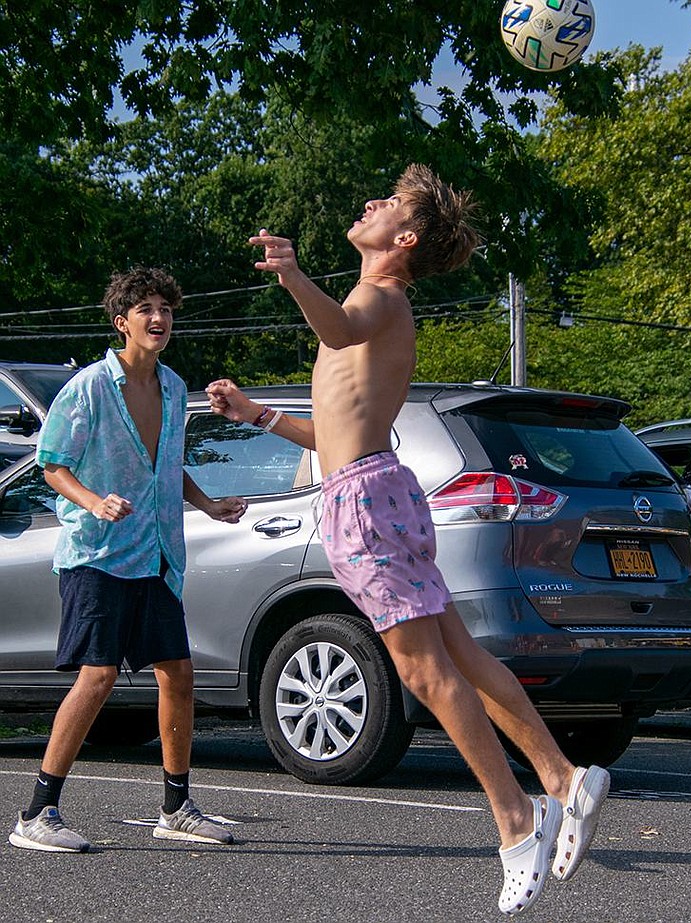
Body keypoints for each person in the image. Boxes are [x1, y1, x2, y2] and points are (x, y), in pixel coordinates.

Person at [206, 164, 610, 915]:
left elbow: (339, 328)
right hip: (377, 484)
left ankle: (517, 822)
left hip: (366, 500)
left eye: (385, 203)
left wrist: (293, 276)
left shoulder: (375, 297)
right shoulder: (378, 302)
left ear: (405, 238)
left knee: (425, 672)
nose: (369, 203)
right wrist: (257, 414)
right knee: (459, 653)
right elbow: (337, 432)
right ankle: (562, 777)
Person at [9, 267, 248, 854]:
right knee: (98, 677)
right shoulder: (88, 387)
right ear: (123, 322)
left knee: (179, 677)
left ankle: (176, 807)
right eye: (145, 308)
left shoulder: (172, 387)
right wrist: (94, 500)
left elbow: (165, 465)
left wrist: (210, 504)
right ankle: (37, 813)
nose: (159, 318)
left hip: (159, 555)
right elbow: (52, 463)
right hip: (97, 554)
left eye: (165, 307)